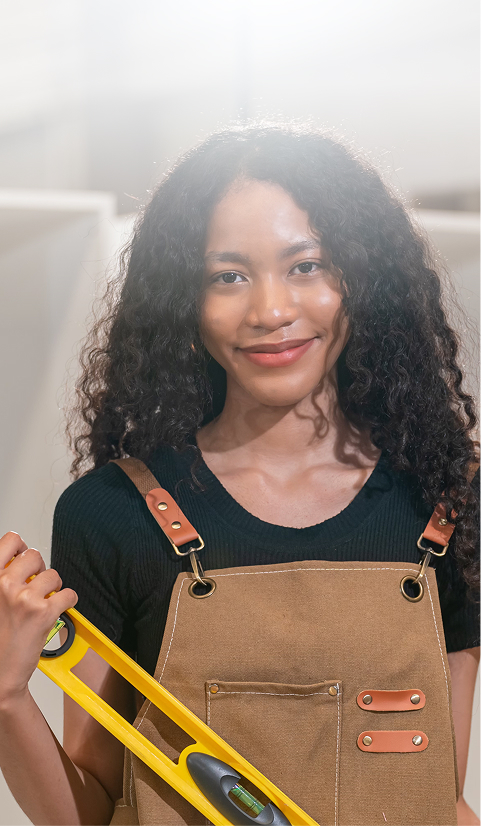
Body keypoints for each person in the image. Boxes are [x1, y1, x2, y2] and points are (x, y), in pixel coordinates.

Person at [0, 124, 478, 826]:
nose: (270, 311)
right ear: (181, 303)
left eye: (306, 265)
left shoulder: (450, 504)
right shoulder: (110, 514)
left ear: (362, 278)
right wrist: (8, 697)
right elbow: (93, 814)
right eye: (227, 276)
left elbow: (440, 798)